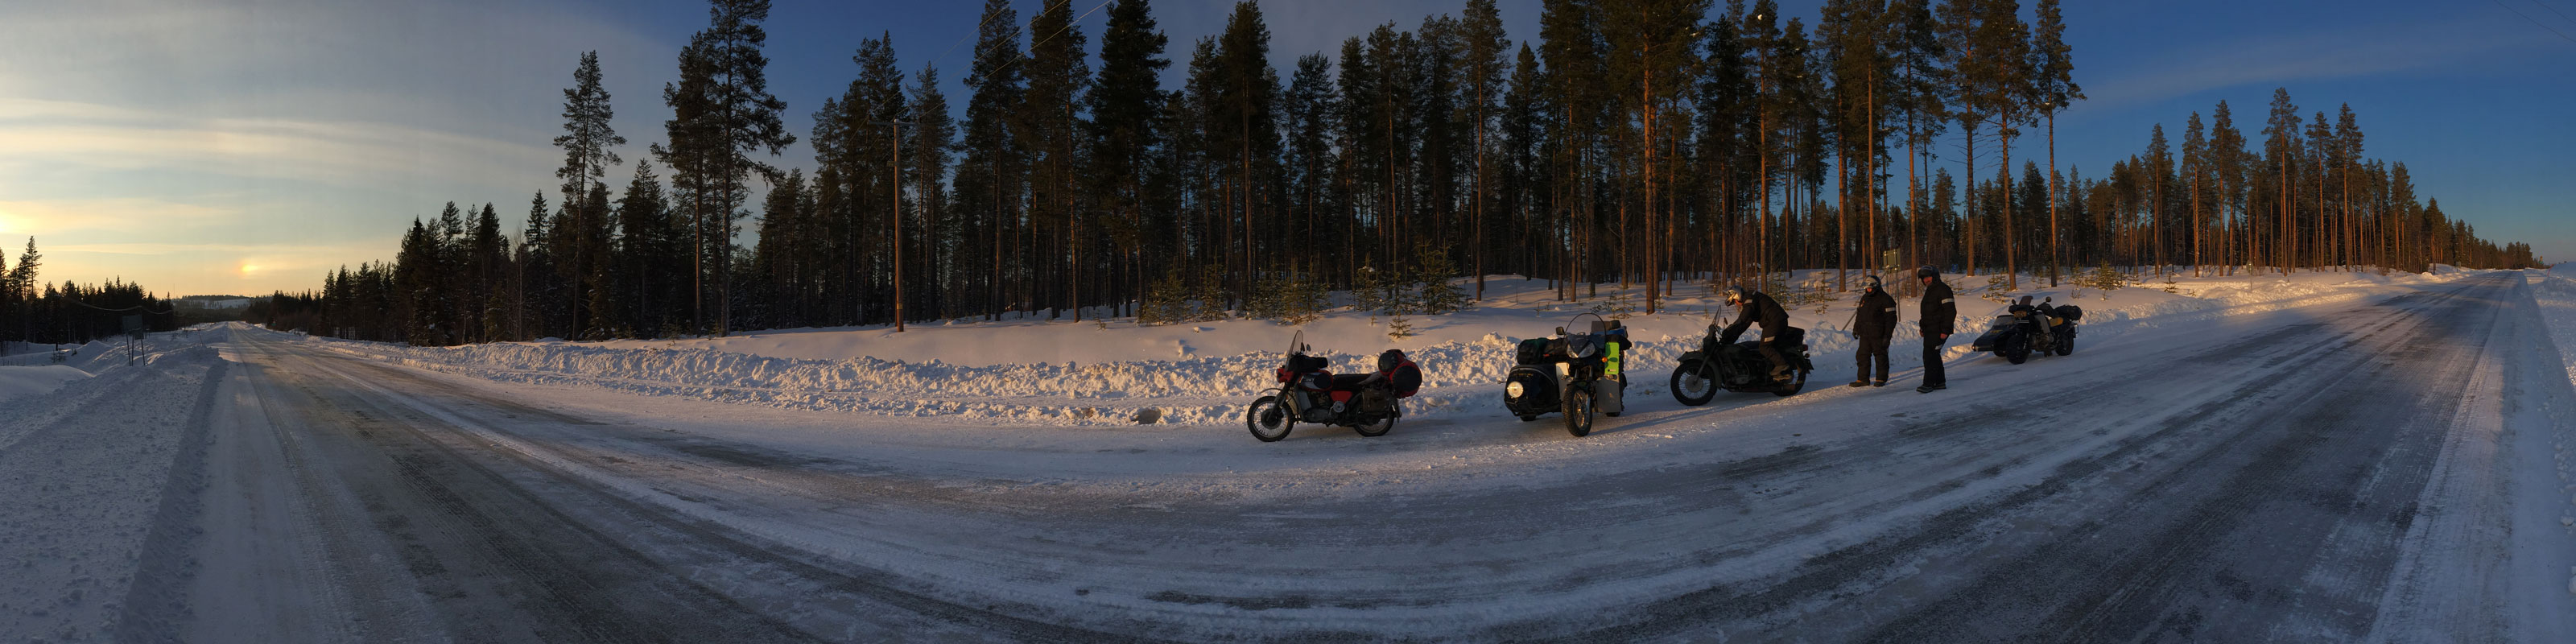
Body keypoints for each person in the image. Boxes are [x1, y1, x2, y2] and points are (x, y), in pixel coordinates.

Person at [1719, 287, 1794, 381]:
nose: (1736, 304)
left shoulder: (1749, 298)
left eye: (1734, 301)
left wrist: (1736, 323)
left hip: (1775, 321)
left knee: (1764, 347)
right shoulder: (1751, 302)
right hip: (1775, 321)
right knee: (1760, 348)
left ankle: (1782, 364)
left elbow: (1745, 315)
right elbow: (1745, 323)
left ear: (1737, 296)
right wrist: (1731, 336)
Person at [1849, 275, 1897, 387]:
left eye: (1869, 288)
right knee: (1862, 356)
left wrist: (1887, 336)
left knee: (1880, 356)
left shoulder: (1886, 299)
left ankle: (1881, 379)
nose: (1868, 290)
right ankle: (1863, 379)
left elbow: (1891, 320)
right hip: (1865, 333)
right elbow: (1860, 315)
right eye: (1866, 288)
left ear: (1876, 287)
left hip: (1879, 334)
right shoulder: (1865, 298)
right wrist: (1856, 328)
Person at [1915, 266, 1955, 394]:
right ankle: (1940, 382)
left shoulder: (1943, 290)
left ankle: (1928, 384)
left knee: (1930, 356)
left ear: (1935, 276)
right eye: (1923, 278)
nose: (1926, 280)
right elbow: (1926, 313)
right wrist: (1922, 327)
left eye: (1928, 277)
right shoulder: (1930, 290)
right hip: (1930, 329)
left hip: (1939, 329)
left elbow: (1950, 311)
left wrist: (1945, 330)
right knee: (1933, 355)